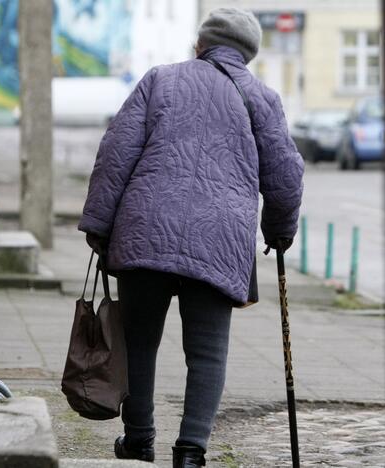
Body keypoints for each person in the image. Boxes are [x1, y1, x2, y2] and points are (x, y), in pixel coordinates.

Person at [78, 7, 304, 467]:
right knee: (207, 351)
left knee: (139, 340)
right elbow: (286, 176)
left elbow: (115, 154)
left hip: (144, 229)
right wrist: (278, 232)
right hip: (219, 238)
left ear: (199, 45)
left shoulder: (159, 79)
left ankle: (139, 439)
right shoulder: (261, 97)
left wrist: (99, 224)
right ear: (247, 56)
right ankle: (191, 452)